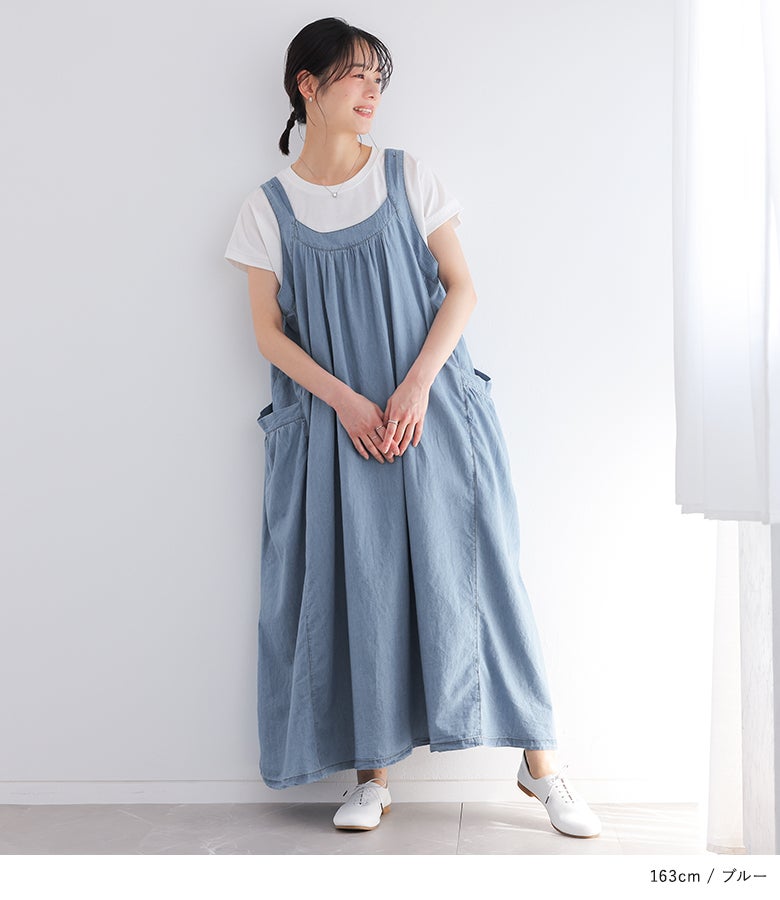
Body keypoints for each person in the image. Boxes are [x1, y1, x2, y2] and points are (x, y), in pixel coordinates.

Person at [224, 16, 600, 840]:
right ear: (307, 86)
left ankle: (541, 766)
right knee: (363, 584)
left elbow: (462, 288)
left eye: (378, 77)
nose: (372, 91)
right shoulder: (266, 210)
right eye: (355, 75)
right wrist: (348, 403)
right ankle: (373, 776)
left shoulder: (407, 177)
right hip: (339, 432)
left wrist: (417, 387)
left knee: (483, 579)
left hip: (435, 413)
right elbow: (268, 335)